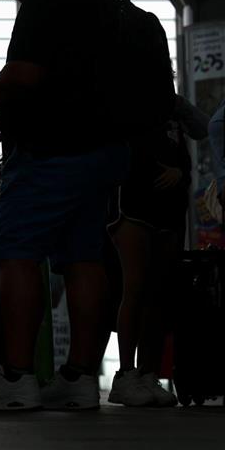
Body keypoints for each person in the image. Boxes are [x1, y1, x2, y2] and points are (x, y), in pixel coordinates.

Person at [0, 0, 130, 411]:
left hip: (51, 151)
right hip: (101, 149)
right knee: (83, 257)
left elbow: (25, 74)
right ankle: (79, 377)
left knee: (15, 250)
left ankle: (16, 377)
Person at [107, 94, 208, 407]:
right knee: (135, 287)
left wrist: (181, 173)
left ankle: (149, 373)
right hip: (134, 202)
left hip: (171, 207)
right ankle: (126, 372)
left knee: (160, 294)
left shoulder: (171, 105)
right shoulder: (123, 102)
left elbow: (202, 128)